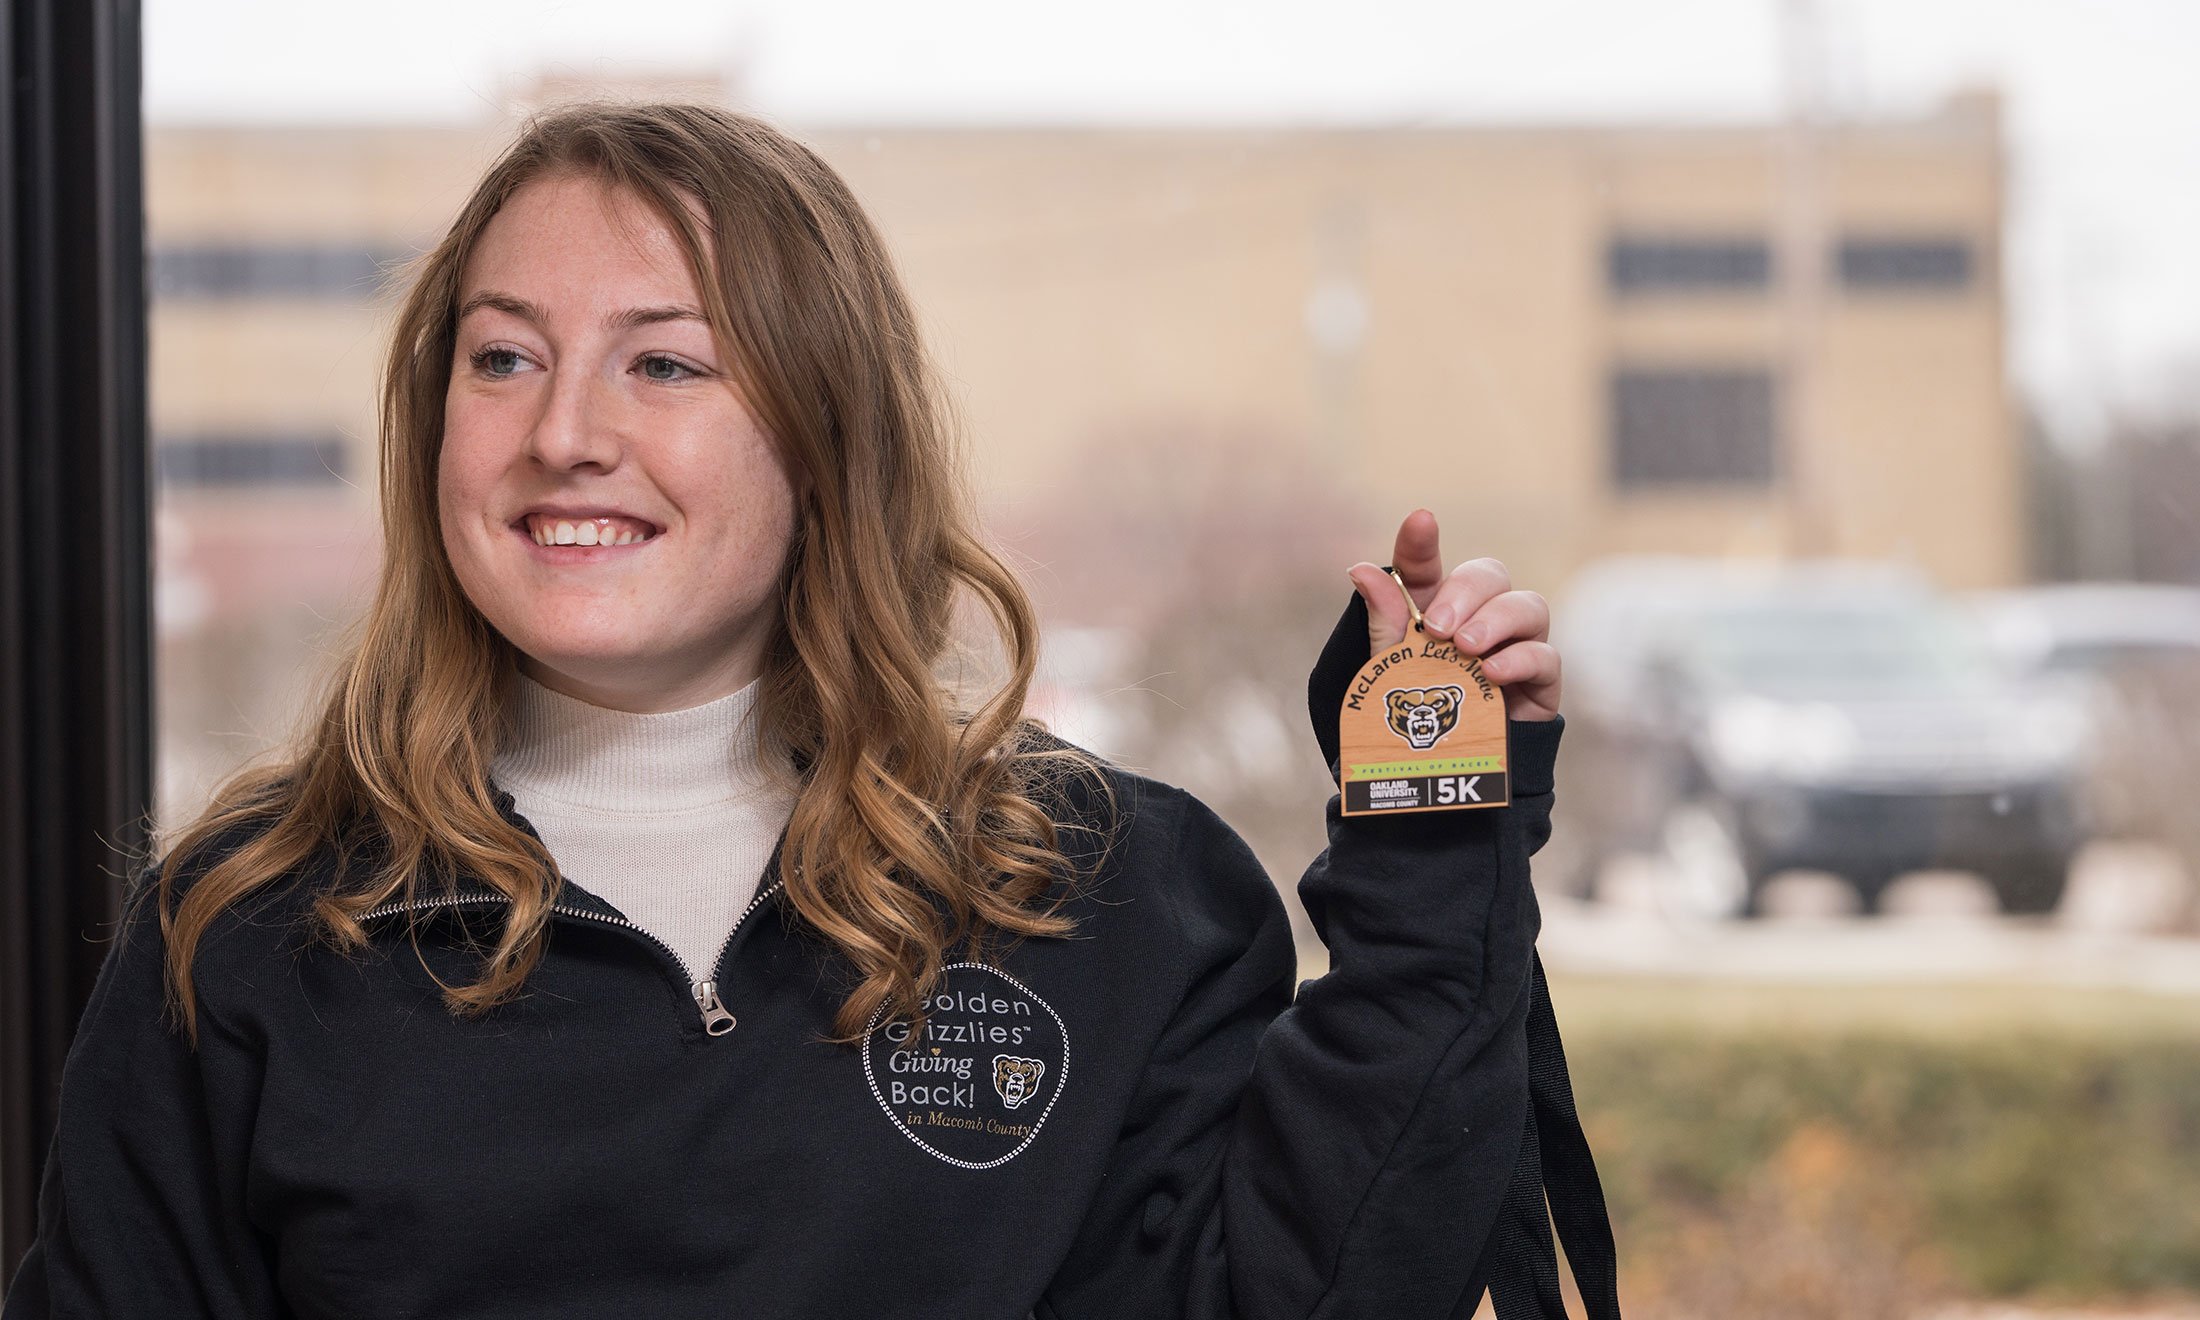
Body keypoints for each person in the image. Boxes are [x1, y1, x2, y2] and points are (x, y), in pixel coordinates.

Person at [2, 102, 1616, 1319]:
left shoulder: (1115, 898)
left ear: (828, 436)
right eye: (502, 361)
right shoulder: (248, 934)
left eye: (666, 367)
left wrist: (1438, 831)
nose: (563, 431)